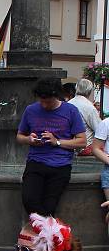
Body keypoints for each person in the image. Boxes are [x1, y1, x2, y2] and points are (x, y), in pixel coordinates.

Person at [16, 77, 86, 217]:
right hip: (36, 162)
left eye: (48, 101)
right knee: (29, 199)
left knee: (50, 205)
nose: (44, 105)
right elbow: (19, 137)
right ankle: (53, 230)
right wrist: (29, 139)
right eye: (41, 101)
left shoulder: (71, 111)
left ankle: (49, 233)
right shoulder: (31, 110)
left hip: (61, 165)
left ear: (56, 96)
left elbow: (82, 141)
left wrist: (57, 142)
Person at [66, 79, 100, 155]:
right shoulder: (89, 107)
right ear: (90, 91)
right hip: (85, 146)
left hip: (69, 144)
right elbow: (99, 129)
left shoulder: (68, 103)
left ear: (76, 88)